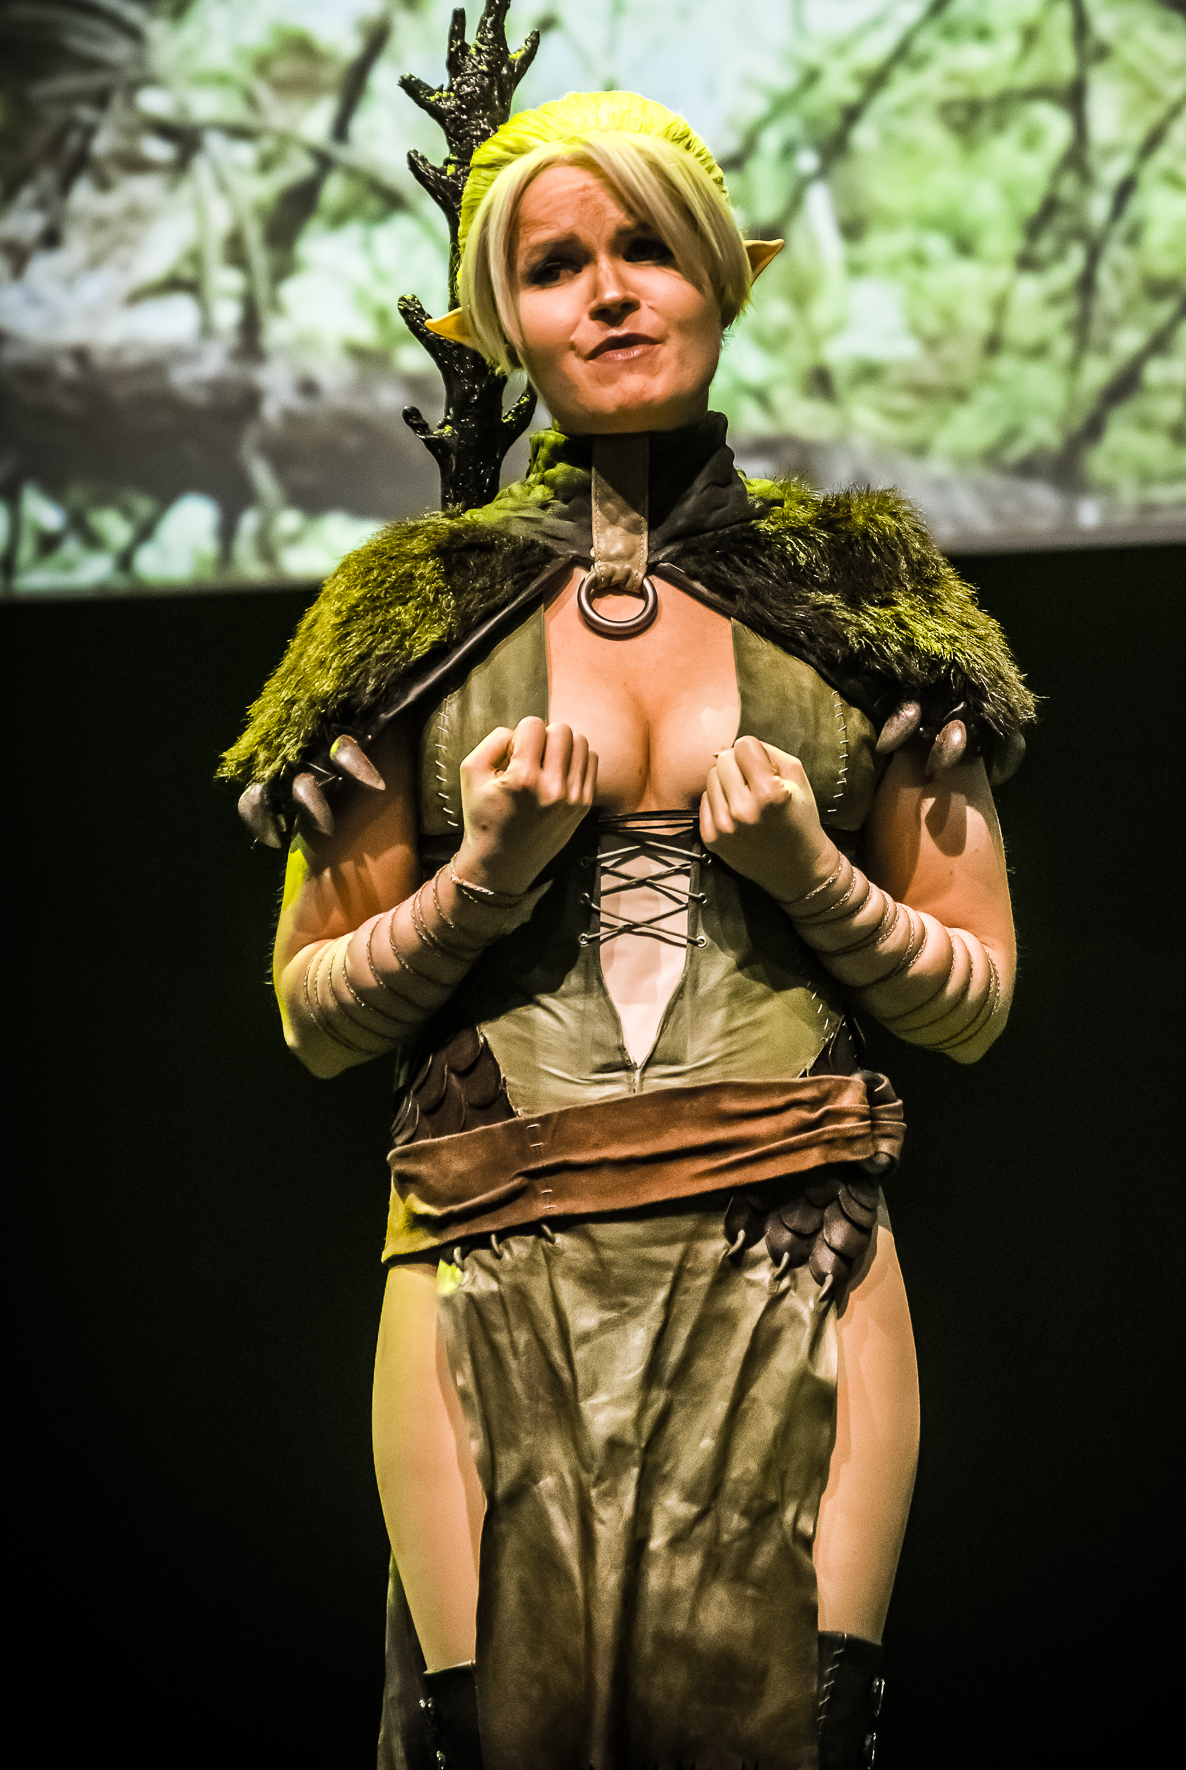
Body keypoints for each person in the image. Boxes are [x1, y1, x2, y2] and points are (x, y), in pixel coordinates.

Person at [222, 91, 1033, 1770]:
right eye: (554, 267)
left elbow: (970, 1003)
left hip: (787, 1255)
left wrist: (811, 877)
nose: (607, 294)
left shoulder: (868, 602)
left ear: (720, 274)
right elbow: (313, 1016)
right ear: (501, 322)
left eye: (648, 248)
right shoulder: (409, 615)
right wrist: (485, 875)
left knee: (787, 1735)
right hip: (491, 1252)